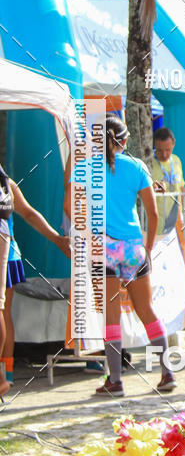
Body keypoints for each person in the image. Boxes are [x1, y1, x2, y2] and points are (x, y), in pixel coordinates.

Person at [66, 116, 174, 397]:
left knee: (111, 318)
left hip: (102, 249)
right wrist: (147, 250)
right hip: (132, 249)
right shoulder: (137, 166)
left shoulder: (83, 169)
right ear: (124, 141)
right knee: (147, 311)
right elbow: (152, 214)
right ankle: (167, 373)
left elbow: (69, 207)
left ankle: (115, 380)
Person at [0, 171, 70, 396]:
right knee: (3, 313)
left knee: (3, 314)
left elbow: (29, 214)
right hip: (10, 255)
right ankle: (6, 373)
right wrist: (56, 239)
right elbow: (29, 214)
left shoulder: (7, 183)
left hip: (7, 255)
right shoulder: (7, 182)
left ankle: (4, 375)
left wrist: (58, 239)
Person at [152, 127, 185, 324]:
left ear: (173, 146)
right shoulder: (149, 163)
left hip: (177, 224)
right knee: (159, 271)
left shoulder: (177, 161)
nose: (164, 154)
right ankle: (159, 314)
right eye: (160, 150)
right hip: (156, 226)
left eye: (167, 150)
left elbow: (183, 192)